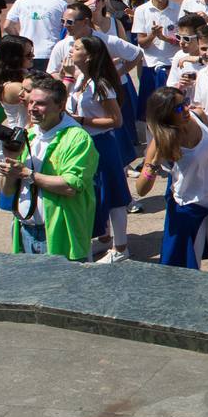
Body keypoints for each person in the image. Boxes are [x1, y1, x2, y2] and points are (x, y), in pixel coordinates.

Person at [135, 86, 208, 274]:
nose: (186, 110)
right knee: (189, 270)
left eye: (185, 103)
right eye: (179, 109)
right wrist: (154, 164)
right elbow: (141, 189)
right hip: (190, 208)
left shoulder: (198, 116)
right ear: (165, 115)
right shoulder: (162, 141)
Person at [58, 35, 132, 263]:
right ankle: (104, 238)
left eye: (77, 47)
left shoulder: (101, 85)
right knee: (95, 194)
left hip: (102, 144)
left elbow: (116, 120)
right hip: (85, 144)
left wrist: (81, 121)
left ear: (88, 56)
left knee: (113, 194)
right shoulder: (80, 79)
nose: (72, 49)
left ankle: (121, 247)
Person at [3, 0, 67, 70]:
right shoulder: (60, 4)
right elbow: (67, 28)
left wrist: (21, 41)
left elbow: (7, 26)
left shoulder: (21, 1)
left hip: (27, 53)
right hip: (51, 52)